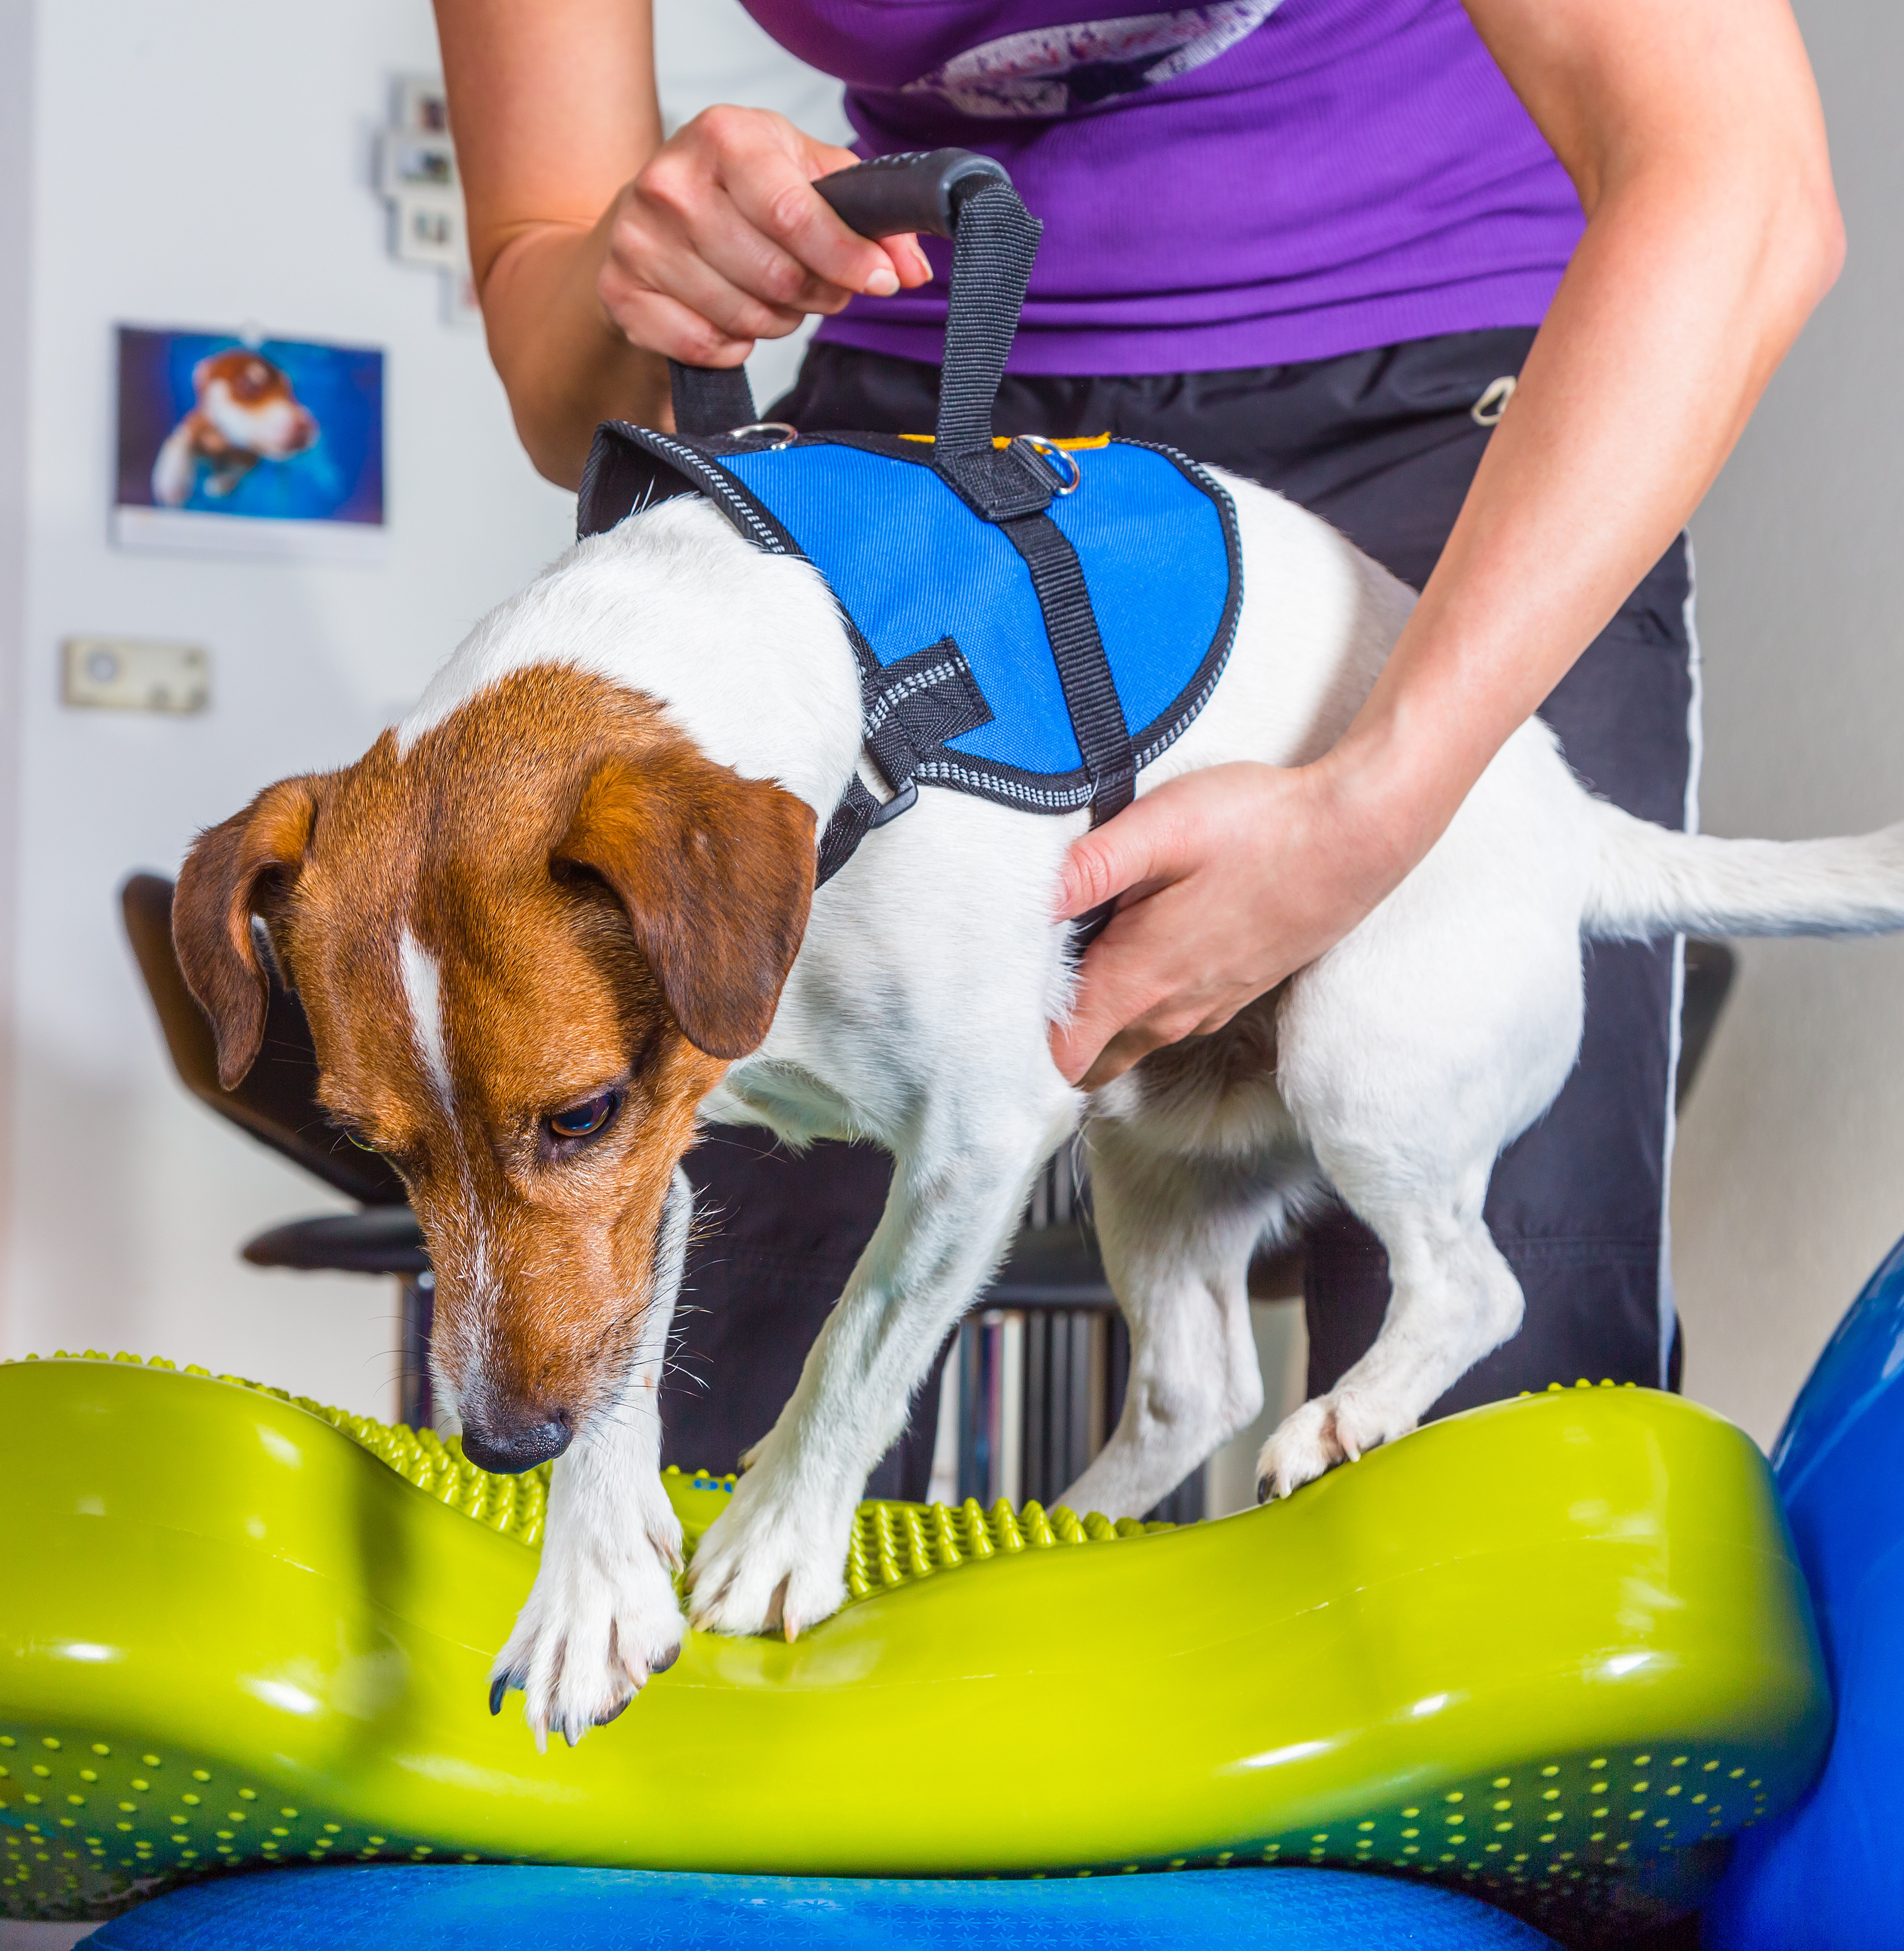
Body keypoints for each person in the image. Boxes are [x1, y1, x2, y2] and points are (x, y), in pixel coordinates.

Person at [431, 0, 1842, 1495]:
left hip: (1436, 417)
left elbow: (1738, 187)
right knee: (715, 1424)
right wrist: (635, 267)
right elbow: (568, 382)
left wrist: (1373, 807)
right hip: (932, 448)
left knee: (1504, 1472)